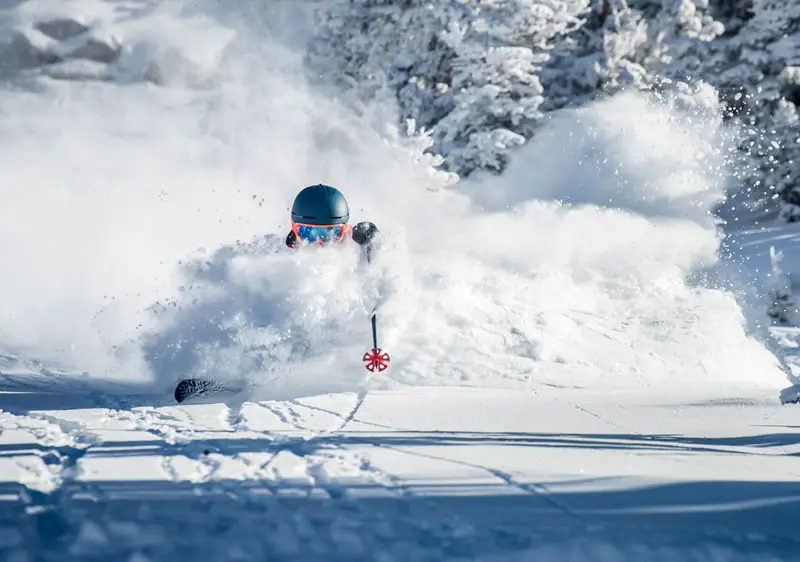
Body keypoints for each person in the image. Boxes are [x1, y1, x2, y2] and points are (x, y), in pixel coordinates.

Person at [285, 184, 380, 262]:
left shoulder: (363, 248)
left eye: (329, 234)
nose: (319, 245)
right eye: (308, 233)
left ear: (347, 229)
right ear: (293, 228)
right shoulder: (281, 257)